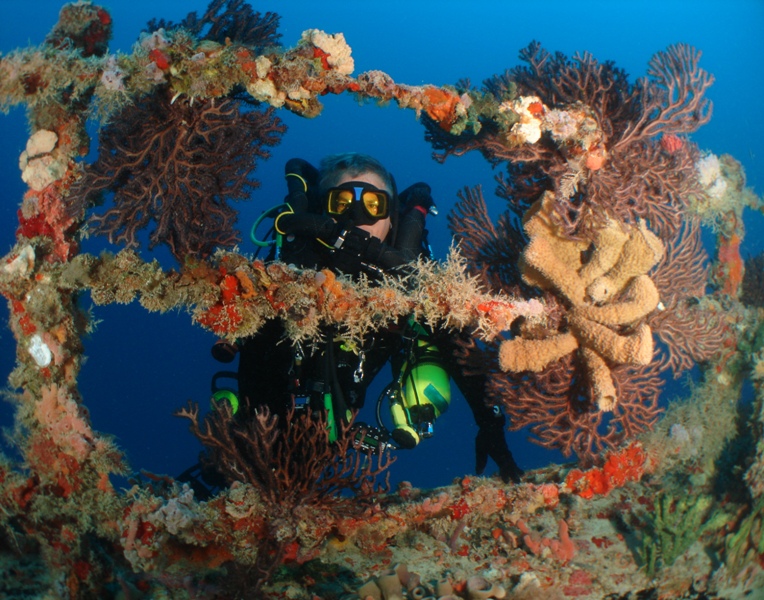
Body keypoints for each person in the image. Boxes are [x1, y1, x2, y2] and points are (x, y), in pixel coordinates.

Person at [216, 153, 523, 483]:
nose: (357, 216)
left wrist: (488, 422)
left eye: (374, 204)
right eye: (343, 201)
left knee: (426, 342)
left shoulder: (409, 279)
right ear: (321, 210)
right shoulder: (292, 263)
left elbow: (456, 346)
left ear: (392, 218)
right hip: (269, 422)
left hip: (341, 414)